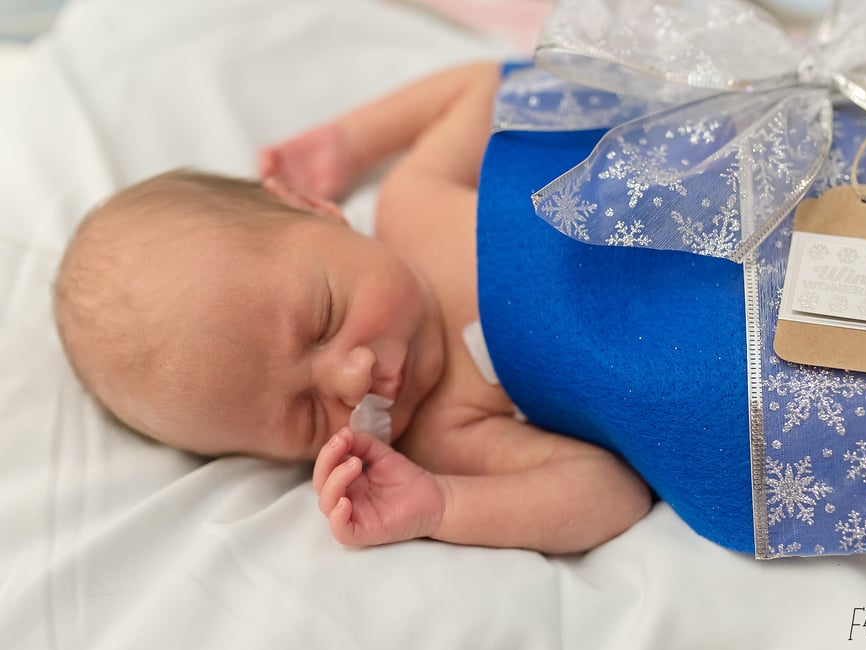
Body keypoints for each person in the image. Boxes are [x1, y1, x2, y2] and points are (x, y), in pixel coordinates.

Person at [54, 62, 652, 554]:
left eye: (324, 319)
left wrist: (350, 142)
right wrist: (442, 506)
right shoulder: (446, 436)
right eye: (310, 415)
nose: (352, 378)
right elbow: (611, 492)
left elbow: (486, 91)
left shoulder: (412, 204)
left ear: (316, 210)